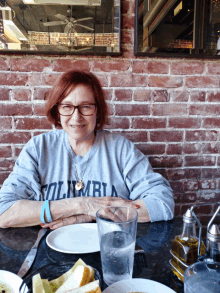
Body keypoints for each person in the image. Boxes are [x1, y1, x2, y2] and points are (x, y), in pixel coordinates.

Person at [0, 70, 174, 229]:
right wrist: (82, 205)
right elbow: (4, 212)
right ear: (57, 110)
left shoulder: (121, 149)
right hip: (49, 252)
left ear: (97, 110)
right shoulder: (38, 148)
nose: (76, 117)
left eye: (86, 106)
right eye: (67, 107)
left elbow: (162, 203)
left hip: (109, 249)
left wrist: (89, 215)